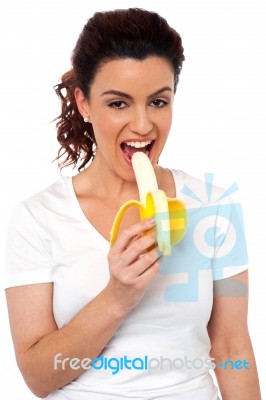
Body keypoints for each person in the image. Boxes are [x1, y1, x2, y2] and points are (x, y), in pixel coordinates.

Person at [4, 8, 261, 400]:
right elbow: (38, 378)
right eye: (118, 104)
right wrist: (117, 296)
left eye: (158, 102)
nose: (142, 126)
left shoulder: (213, 205)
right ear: (85, 103)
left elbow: (231, 349)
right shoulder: (37, 218)